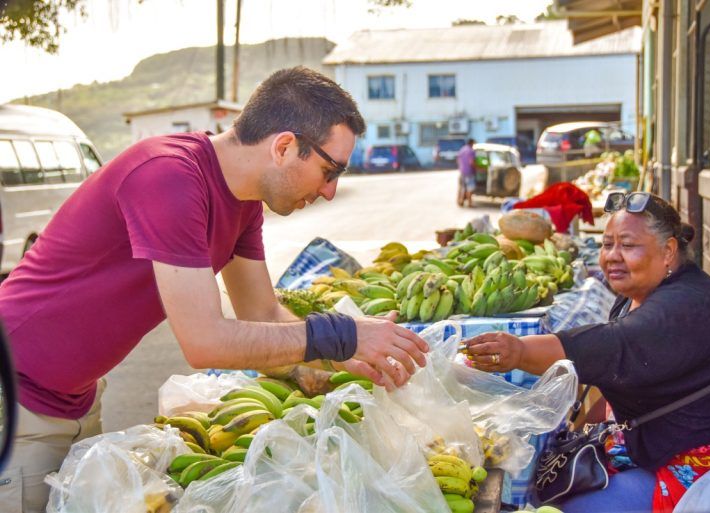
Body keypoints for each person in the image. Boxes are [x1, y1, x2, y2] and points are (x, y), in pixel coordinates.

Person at [0, 66, 429, 512]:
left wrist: (348, 356)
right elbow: (204, 342)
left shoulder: (243, 204)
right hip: (17, 395)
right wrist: (342, 334)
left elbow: (261, 312)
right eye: (329, 170)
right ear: (284, 146)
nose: (330, 192)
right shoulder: (168, 176)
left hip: (76, 395)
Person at [464, 192, 710, 513]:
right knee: (549, 480)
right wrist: (581, 432)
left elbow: (612, 347)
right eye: (607, 244)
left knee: (573, 506)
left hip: (706, 463)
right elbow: (616, 385)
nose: (612, 256)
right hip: (654, 444)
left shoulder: (687, 307)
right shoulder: (636, 296)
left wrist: (518, 351)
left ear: (668, 252)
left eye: (628, 245)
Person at [456, 138, 476, 207]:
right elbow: (471, 162)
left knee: (462, 187)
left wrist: (461, 168)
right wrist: (476, 168)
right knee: (469, 188)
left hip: (462, 172)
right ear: (472, 143)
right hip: (469, 172)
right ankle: (469, 203)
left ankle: (460, 201)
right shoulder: (471, 151)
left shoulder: (462, 149)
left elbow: (458, 160)